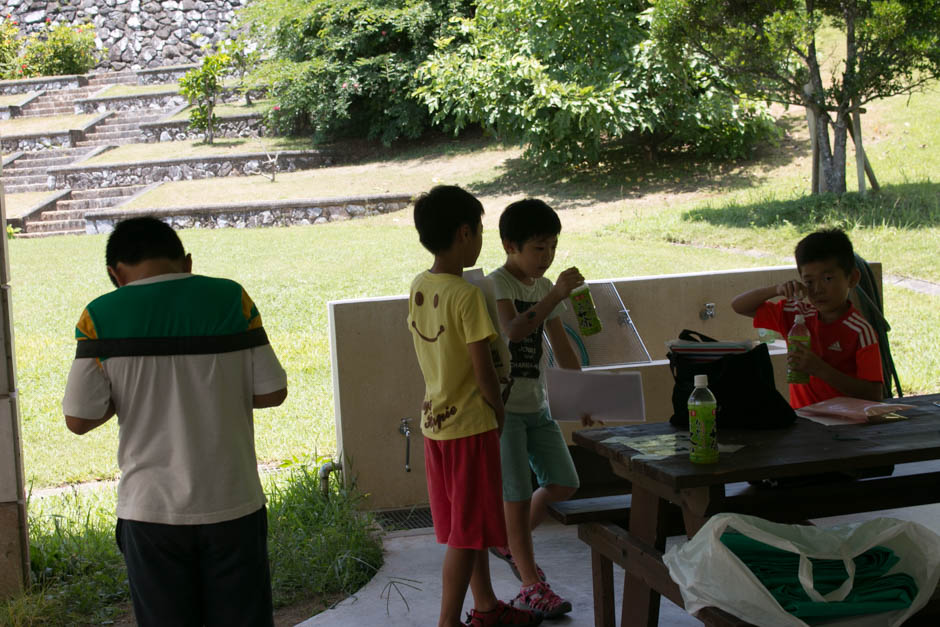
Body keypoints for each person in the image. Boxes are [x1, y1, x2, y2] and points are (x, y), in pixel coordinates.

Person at [62, 216, 288, 626]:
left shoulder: (99, 316)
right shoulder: (232, 300)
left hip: (150, 513)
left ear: (115, 273)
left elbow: (79, 418)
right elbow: (272, 392)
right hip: (232, 504)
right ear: (185, 262)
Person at [408, 186, 543, 627]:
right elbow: (483, 369)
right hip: (470, 425)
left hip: (435, 423)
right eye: (481, 231)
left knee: (472, 527)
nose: (481, 239)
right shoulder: (466, 295)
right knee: (465, 539)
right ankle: (448, 622)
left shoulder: (420, 285)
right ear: (465, 233)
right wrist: (498, 412)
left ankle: (485, 608)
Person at [487, 198, 593, 619]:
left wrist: (582, 397)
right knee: (514, 495)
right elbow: (513, 331)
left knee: (565, 482)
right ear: (510, 245)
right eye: (537, 248)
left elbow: (564, 351)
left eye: (551, 247)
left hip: (539, 407)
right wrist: (554, 295)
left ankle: (509, 544)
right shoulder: (499, 283)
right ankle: (530, 584)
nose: (546, 257)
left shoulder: (544, 290)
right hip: (505, 411)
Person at [731, 228, 883, 409]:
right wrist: (777, 289)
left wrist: (820, 369)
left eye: (827, 278)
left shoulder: (861, 331)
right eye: (809, 281)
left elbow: (875, 395)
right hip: (802, 421)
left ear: (852, 278)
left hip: (847, 427)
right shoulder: (796, 313)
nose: (817, 289)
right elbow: (739, 305)